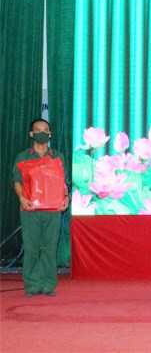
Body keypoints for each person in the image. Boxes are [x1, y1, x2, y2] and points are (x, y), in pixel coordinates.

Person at [11, 119, 69, 297]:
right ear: (31, 134)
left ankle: (48, 284)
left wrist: (66, 197)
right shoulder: (23, 156)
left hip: (53, 210)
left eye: (45, 130)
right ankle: (32, 285)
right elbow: (16, 181)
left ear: (49, 134)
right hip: (30, 209)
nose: (41, 133)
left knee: (50, 247)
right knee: (31, 248)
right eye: (37, 130)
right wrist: (21, 198)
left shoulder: (57, 156)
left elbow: (63, 181)